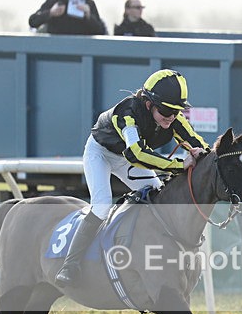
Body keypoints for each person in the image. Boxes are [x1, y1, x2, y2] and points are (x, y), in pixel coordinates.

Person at [55, 69, 209, 287]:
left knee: (159, 200)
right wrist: (177, 165)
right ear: (148, 104)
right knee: (101, 205)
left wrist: (203, 153)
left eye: (176, 111)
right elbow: (136, 153)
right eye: (166, 111)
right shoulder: (126, 113)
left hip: (127, 158)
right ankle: (69, 266)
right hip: (101, 154)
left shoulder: (174, 118)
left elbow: (197, 141)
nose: (172, 117)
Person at [29, 0, 107, 35]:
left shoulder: (89, 4)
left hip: (82, 51)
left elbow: (101, 32)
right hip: (56, 51)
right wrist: (50, 13)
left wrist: (89, 16)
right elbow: (33, 21)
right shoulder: (54, 0)